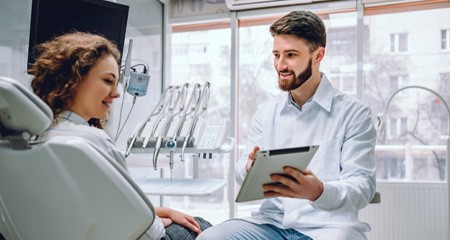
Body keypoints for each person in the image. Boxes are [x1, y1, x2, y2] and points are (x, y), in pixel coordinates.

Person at [197, 10, 376, 240]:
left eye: (290, 55)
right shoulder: (266, 112)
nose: (280, 65)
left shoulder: (354, 113)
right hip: (272, 223)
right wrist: (251, 169)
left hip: (328, 226)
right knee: (209, 238)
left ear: (318, 55)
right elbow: (241, 170)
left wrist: (319, 191)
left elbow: (362, 186)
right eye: (276, 55)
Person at [28, 31, 212, 240]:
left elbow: (90, 207)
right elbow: (148, 233)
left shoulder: (32, 139)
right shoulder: (92, 142)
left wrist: (155, 212)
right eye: (108, 81)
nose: (116, 93)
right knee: (202, 225)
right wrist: (158, 221)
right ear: (74, 80)